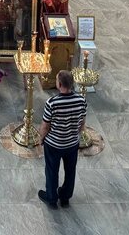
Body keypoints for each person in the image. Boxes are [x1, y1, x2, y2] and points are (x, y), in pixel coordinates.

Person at [38, 70, 87, 209]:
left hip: (54, 144)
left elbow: (45, 126)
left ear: (59, 84)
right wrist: (73, 135)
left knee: (52, 170)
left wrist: (42, 139)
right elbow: (82, 122)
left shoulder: (52, 103)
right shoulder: (81, 100)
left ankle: (51, 198)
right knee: (70, 171)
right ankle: (65, 197)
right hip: (72, 144)